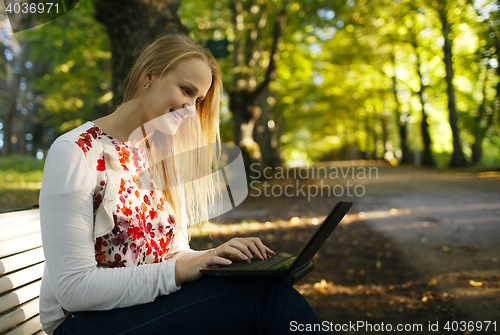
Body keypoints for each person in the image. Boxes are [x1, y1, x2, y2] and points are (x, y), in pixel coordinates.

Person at [39, 33, 327, 335]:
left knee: (259, 286)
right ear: (149, 75)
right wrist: (180, 271)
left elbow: (173, 253)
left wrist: (211, 258)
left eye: (198, 100)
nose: (191, 110)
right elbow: (73, 288)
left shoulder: (160, 157)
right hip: (83, 322)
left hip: (140, 309)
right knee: (263, 301)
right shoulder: (76, 151)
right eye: (185, 90)